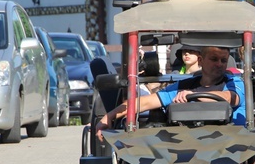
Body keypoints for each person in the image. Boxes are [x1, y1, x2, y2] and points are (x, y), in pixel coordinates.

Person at [96, 46, 245, 139]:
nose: (219, 64)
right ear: (201, 60)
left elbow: (231, 98)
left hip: (230, 146)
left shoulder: (234, 83)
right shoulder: (183, 86)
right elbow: (146, 102)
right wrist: (109, 116)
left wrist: (192, 96)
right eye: (214, 59)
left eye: (223, 60)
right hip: (187, 147)